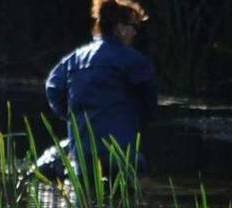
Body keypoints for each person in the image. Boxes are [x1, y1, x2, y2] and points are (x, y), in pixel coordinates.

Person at [45, 0, 157, 173]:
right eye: (134, 26)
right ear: (120, 28)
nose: (135, 32)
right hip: (121, 156)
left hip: (83, 160)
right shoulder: (135, 61)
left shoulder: (73, 60)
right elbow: (149, 105)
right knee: (140, 171)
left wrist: (73, 116)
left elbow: (52, 88)